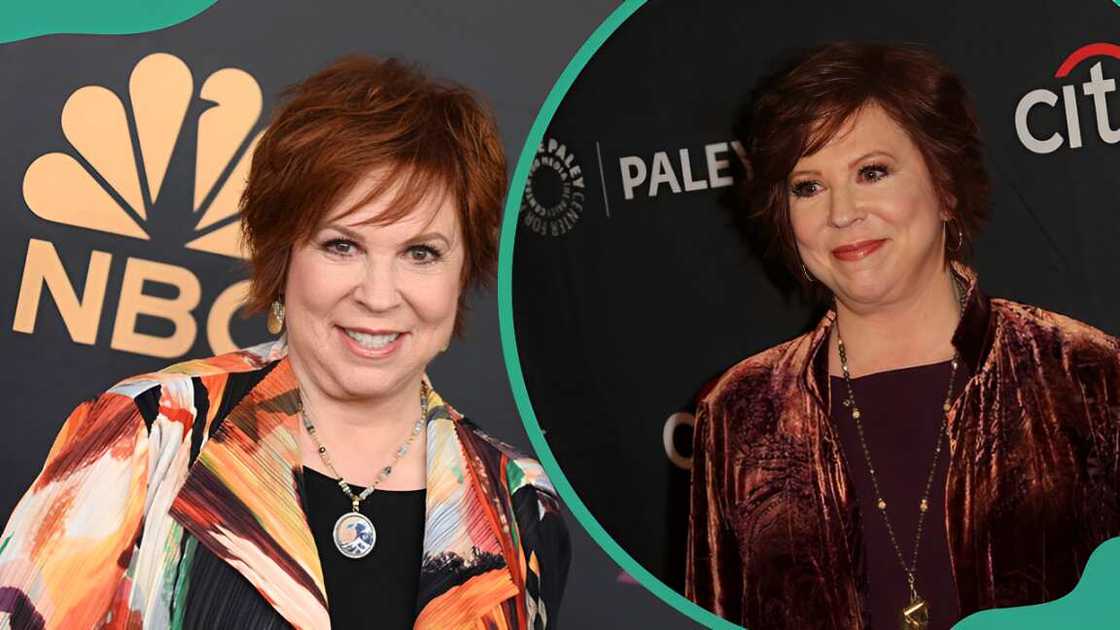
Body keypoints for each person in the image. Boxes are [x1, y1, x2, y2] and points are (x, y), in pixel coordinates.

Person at [0, 56, 569, 630]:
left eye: (421, 254)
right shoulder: (153, 435)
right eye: (341, 245)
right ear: (283, 257)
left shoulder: (518, 504)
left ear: (462, 274)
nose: (378, 294)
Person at [685, 42, 1120, 630]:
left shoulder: (1081, 373)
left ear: (945, 188)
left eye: (872, 172)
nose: (842, 212)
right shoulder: (740, 411)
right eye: (807, 186)